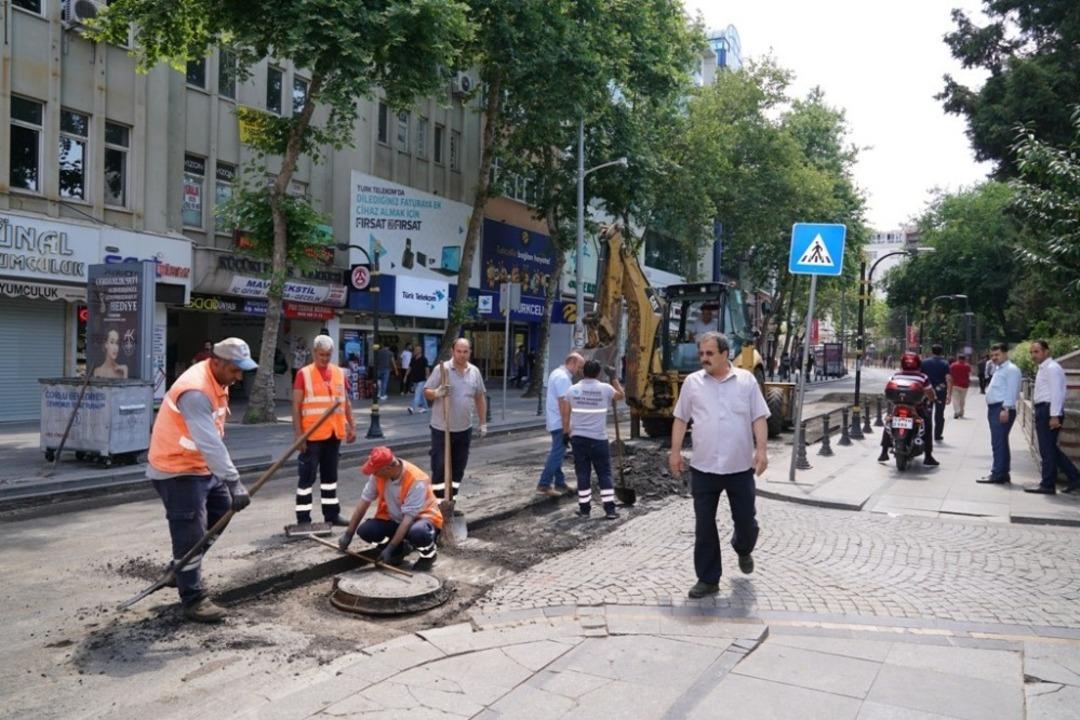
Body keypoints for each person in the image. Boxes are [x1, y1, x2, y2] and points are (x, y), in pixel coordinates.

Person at [146, 338, 256, 623]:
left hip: (202, 467)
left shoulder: (220, 381)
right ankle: (193, 599)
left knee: (222, 514)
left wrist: (228, 485)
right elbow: (209, 443)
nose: (239, 376)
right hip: (177, 469)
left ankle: (179, 569)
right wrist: (234, 482)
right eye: (235, 370)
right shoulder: (195, 390)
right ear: (216, 362)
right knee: (191, 533)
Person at [668, 331, 770, 600]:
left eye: (709, 353)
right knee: (704, 526)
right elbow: (680, 418)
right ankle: (708, 579)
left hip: (739, 469)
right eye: (701, 353)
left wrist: (761, 451)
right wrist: (675, 452)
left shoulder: (746, 381)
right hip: (703, 468)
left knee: (746, 522)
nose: (704, 358)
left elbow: (759, 417)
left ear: (725, 355)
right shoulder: (692, 383)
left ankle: (743, 547)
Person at [338, 447, 443, 571]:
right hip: (395, 519)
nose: (373, 474)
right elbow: (364, 503)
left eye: (375, 471)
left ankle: (428, 555)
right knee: (366, 531)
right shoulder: (378, 474)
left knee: (418, 533)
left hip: (420, 520)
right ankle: (399, 551)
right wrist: (348, 534)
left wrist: (390, 548)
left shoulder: (416, 480)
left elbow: (408, 519)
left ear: (388, 468)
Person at [292, 334, 355, 527]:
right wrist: (299, 436)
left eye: (328, 355)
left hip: (334, 433)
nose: (324, 359)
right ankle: (303, 519)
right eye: (321, 355)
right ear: (314, 352)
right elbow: (296, 406)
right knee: (307, 478)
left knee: (330, 477)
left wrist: (351, 426)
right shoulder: (304, 374)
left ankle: (331, 514)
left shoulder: (338, 373)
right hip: (312, 435)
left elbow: (346, 402)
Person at [424, 338, 488, 501]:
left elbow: (480, 397)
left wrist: (483, 423)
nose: (462, 355)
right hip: (442, 429)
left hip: (464, 429)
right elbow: (426, 391)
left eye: (465, 351)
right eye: (459, 351)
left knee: (458, 469)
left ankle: (451, 501)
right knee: (440, 468)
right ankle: (438, 504)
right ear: (453, 351)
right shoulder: (443, 369)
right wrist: (437, 392)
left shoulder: (474, 372)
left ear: (470, 353)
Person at [561, 360, 625, 519]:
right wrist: (614, 378)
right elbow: (621, 396)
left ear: (583, 372)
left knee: (582, 474)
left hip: (578, 440)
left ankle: (584, 510)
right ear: (598, 373)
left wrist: (565, 433)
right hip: (599, 439)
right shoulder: (605, 388)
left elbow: (566, 414)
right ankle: (610, 510)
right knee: (604, 474)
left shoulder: (572, 390)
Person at [1023, 341, 1080, 494]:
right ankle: (1074, 477)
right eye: (1032, 352)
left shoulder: (1052, 368)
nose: (1033, 355)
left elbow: (1057, 393)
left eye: (1037, 352)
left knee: (1047, 450)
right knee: (1049, 449)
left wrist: (1054, 415)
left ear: (1046, 351)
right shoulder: (1044, 368)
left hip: (1049, 410)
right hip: (1044, 409)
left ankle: (1048, 484)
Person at [877, 352, 939, 466]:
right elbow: (929, 393)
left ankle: (884, 452)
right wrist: (933, 398)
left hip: (897, 406)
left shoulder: (896, 375)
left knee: (889, 423)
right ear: (918, 364)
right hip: (917, 408)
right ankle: (928, 456)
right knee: (927, 425)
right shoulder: (922, 377)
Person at [537, 352, 585, 497]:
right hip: (560, 422)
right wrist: (566, 429)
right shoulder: (563, 378)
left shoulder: (556, 373)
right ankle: (544, 484)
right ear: (573, 362)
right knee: (557, 454)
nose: (579, 371)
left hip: (554, 421)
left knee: (558, 452)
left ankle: (560, 482)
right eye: (579, 367)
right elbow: (564, 405)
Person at [977, 343, 1022, 484]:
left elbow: (1012, 390)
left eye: (997, 354)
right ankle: (1002, 473)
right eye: (992, 355)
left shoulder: (1011, 370)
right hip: (996, 408)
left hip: (1001, 408)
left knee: (998, 442)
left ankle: (997, 473)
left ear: (1005, 353)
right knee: (1000, 441)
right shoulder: (999, 369)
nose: (994, 357)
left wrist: (1005, 409)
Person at [921, 344, 952, 442]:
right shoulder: (945, 363)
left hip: (927, 391)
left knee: (926, 413)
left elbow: (921, 376)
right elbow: (948, 379)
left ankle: (926, 434)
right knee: (939, 414)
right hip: (940, 392)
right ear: (941, 352)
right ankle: (938, 435)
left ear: (931, 351)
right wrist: (949, 394)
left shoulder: (924, 362)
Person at [406, 349, 431, 415]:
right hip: (415, 380)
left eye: (415, 350)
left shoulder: (424, 359)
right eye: (414, 350)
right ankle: (425, 408)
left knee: (417, 394)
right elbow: (410, 367)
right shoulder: (413, 359)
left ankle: (412, 408)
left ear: (419, 351)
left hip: (422, 380)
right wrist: (405, 376)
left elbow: (427, 368)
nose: (414, 351)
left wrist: (428, 377)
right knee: (421, 395)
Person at [949, 354, 972, 419]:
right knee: (962, 400)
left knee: (955, 399)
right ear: (964, 359)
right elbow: (969, 374)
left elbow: (950, 375)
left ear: (957, 358)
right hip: (965, 386)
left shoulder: (953, 365)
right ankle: (961, 412)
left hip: (955, 385)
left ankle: (957, 411)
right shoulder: (967, 366)